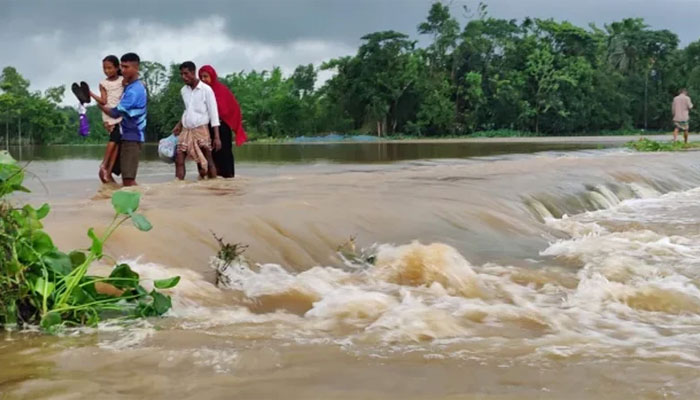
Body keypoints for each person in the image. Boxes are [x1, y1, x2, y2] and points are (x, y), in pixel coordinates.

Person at [97, 52, 147, 187]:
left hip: (132, 137)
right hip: (123, 135)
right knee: (110, 174)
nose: (123, 70)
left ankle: (143, 202)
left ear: (136, 68)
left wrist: (99, 105)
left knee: (128, 180)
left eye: (126, 67)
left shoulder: (134, 90)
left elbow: (115, 112)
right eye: (122, 67)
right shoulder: (128, 86)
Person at [172, 61, 222, 180]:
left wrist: (216, 137)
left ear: (193, 73)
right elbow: (188, 109)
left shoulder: (206, 90)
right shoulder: (184, 90)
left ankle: (213, 185)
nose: (184, 77)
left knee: (206, 161)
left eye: (186, 74)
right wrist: (179, 124)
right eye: (182, 74)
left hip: (201, 130)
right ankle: (178, 186)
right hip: (186, 130)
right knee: (179, 159)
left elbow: (213, 114)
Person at [198, 65, 247, 178]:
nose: (203, 79)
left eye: (206, 76)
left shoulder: (221, 90)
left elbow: (229, 109)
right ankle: (211, 179)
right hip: (205, 128)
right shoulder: (199, 92)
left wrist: (217, 135)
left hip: (222, 128)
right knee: (208, 156)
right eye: (201, 77)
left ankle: (228, 179)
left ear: (212, 77)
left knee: (224, 154)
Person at [90, 55, 124, 183]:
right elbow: (103, 100)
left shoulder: (123, 80)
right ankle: (104, 164)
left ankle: (108, 170)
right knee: (114, 138)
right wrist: (91, 94)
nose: (107, 71)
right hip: (109, 113)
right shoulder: (103, 83)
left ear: (117, 67)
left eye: (110, 68)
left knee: (118, 141)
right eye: (104, 68)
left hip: (120, 113)